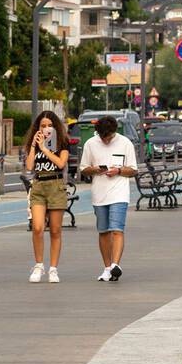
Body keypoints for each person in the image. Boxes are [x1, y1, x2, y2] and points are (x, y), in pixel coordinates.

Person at [78, 114, 138, 283]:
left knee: (117, 229)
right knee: (103, 231)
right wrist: (96, 169)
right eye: (103, 137)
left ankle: (115, 265)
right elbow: (84, 169)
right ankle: (107, 268)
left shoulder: (125, 143)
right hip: (99, 194)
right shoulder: (91, 144)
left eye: (109, 137)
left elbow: (133, 170)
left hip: (119, 193)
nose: (106, 140)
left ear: (114, 132)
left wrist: (118, 171)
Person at [24, 110, 71, 283]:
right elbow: (29, 166)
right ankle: (38, 265)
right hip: (38, 185)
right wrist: (34, 146)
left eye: (50, 125)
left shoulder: (62, 142)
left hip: (56, 186)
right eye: (43, 126)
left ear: (55, 127)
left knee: (55, 230)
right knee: (37, 227)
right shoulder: (35, 143)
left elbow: (60, 163)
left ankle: (53, 269)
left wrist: (45, 148)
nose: (46, 129)